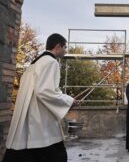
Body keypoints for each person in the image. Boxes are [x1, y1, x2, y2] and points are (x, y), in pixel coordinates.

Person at [3, 33, 78, 162]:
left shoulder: (35, 63)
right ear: (58, 46)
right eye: (65, 47)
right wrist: (69, 101)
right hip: (39, 118)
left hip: (28, 116)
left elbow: (44, 88)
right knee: (53, 154)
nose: (66, 51)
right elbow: (45, 91)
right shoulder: (51, 62)